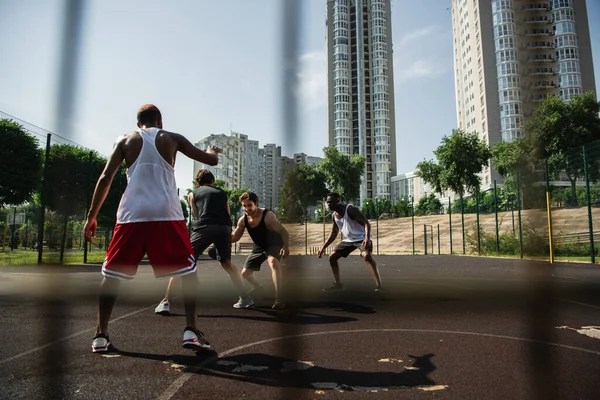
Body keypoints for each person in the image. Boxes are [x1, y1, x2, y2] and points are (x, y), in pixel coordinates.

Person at [84, 104, 219, 353]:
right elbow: (211, 160)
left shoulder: (125, 140)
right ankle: (191, 330)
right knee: (188, 273)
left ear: (138, 124)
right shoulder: (172, 138)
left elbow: (105, 177)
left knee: (111, 276)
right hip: (166, 213)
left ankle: (100, 335)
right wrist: (212, 151)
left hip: (131, 215)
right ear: (160, 121)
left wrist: (91, 216)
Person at [154, 169, 253, 314]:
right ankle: (245, 298)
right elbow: (227, 213)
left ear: (197, 183)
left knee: (184, 262)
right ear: (212, 181)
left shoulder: (193, 193)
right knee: (226, 263)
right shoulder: (222, 193)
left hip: (205, 226)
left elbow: (197, 215)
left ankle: (165, 302)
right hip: (224, 227)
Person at [231, 191, 289, 309]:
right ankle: (258, 287)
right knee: (245, 273)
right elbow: (234, 237)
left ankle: (279, 298)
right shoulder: (243, 220)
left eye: (249, 205)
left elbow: (283, 232)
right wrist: (219, 237)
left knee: (273, 263)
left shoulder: (268, 216)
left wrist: (286, 246)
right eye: (244, 206)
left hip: (274, 244)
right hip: (259, 246)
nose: (247, 208)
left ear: (256, 203)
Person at [317, 192, 383, 292]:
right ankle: (338, 284)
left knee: (366, 255)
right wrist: (323, 247)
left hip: (361, 237)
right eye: (327, 202)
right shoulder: (334, 215)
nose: (328, 204)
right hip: (349, 240)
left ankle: (379, 286)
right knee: (332, 257)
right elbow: (334, 233)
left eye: (331, 202)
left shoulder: (350, 210)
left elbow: (366, 223)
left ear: (337, 201)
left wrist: (367, 238)